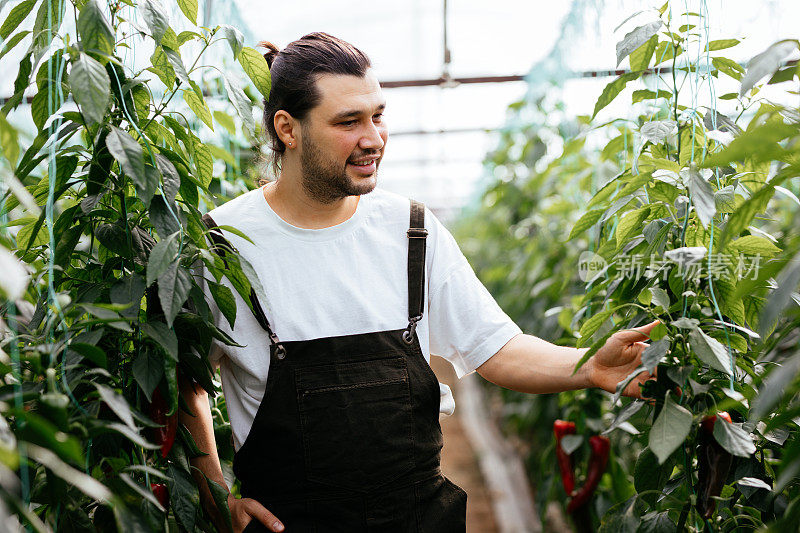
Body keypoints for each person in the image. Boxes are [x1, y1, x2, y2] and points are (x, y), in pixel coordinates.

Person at [180, 32, 658, 533]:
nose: (374, 139)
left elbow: (494, 347)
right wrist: (214, 490)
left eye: (378, 115)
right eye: (349, 122)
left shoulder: (411, 231)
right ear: (287, 129)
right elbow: (186, 379)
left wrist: (589, 367)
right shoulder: (225, 243)